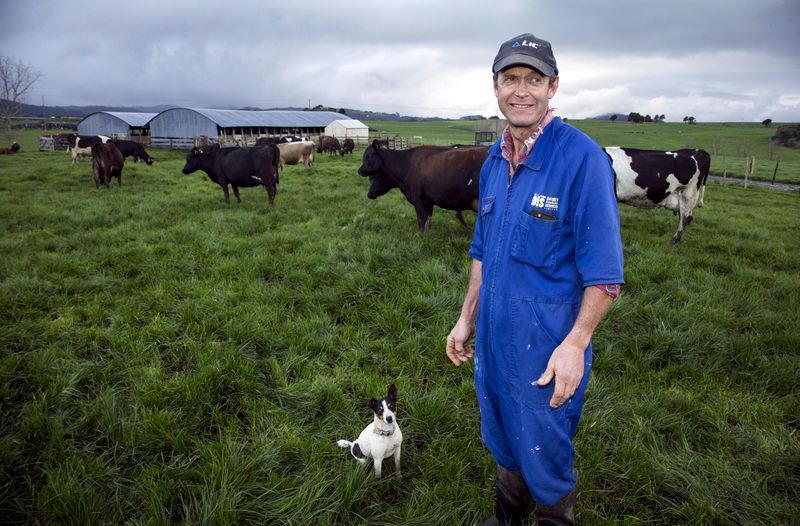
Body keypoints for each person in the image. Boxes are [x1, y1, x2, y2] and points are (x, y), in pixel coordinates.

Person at [446, 33, 624, 526]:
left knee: (544, 445)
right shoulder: (494, 159)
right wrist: (466, 318)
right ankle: (507, 516)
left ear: (553, 87)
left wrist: (575, 344)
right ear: (496, 87)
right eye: (510, 79)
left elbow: (606, 275)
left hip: (546, 346)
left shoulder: (582, 160)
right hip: (493, 337)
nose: (520, 90)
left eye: (533, 79)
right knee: (501, 434)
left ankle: (555, 519)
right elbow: (482, 251)